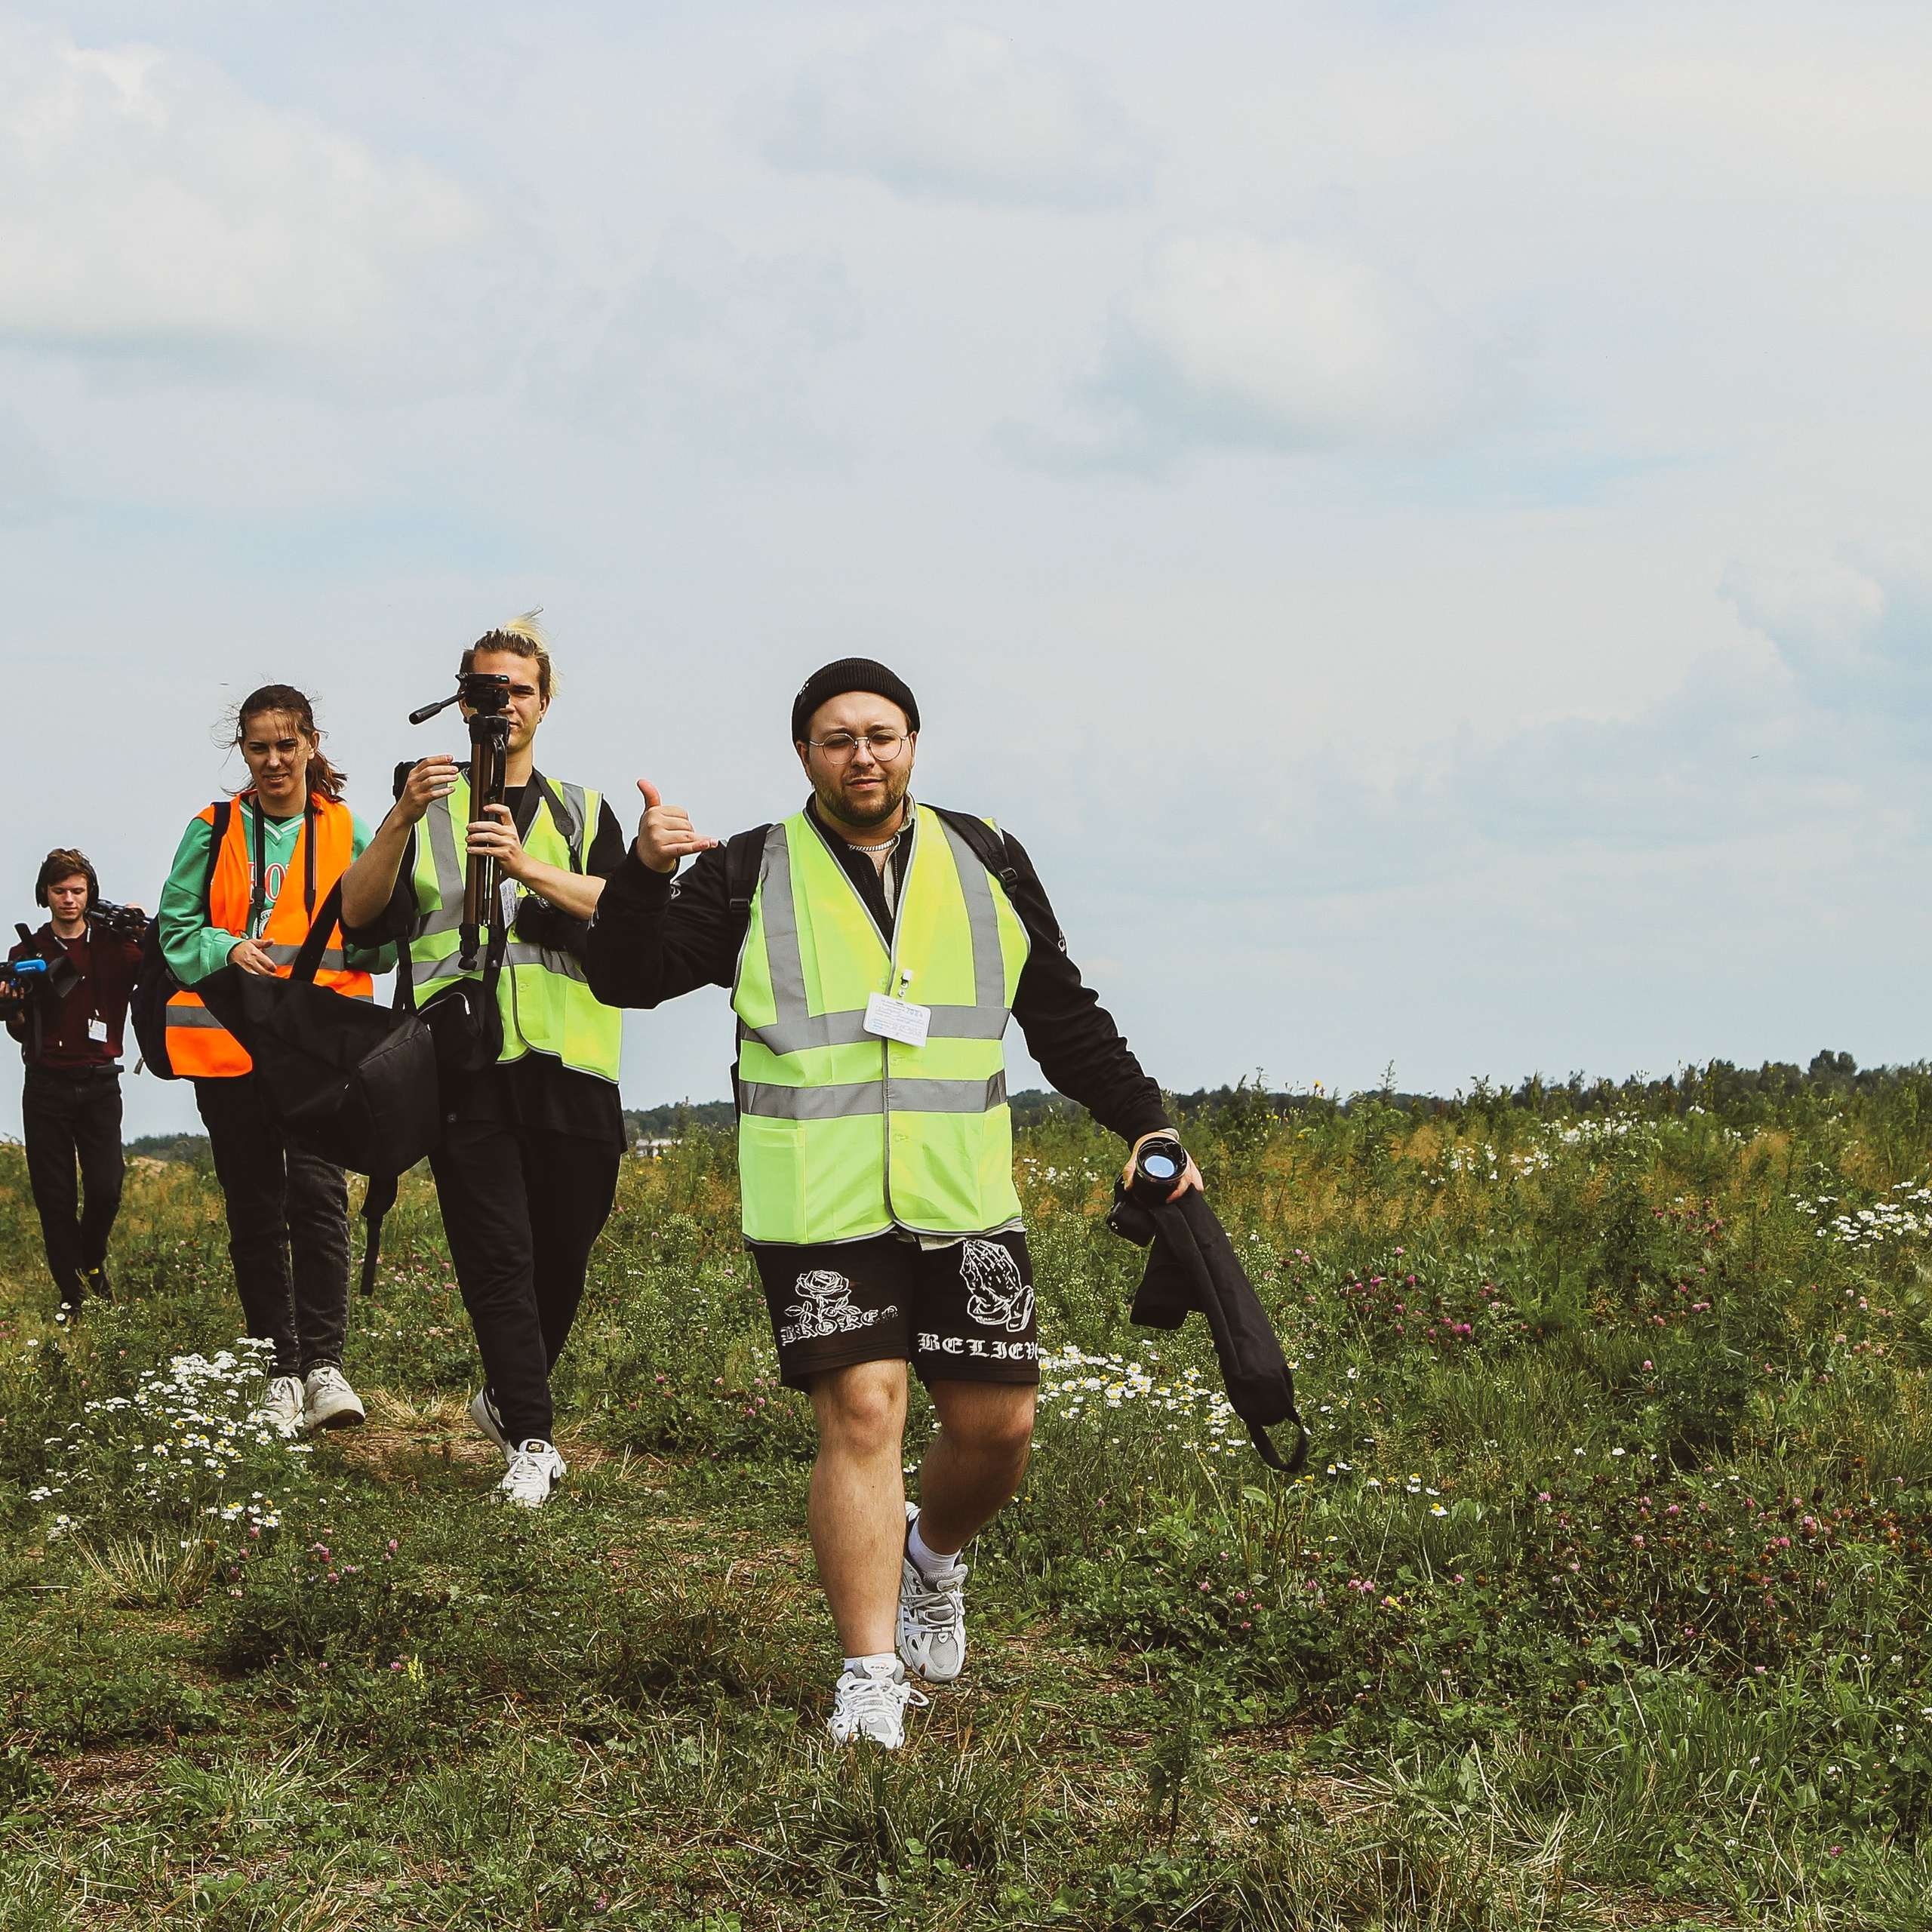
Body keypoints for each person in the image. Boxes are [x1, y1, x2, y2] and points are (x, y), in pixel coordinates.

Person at [583, 657, 1203, 1748]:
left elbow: (1062, 1014)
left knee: (997, 1429)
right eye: (836, 738)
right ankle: (867, 1677)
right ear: (804, 755)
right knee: (865, 1413)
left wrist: (1146, 1122)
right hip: (815, 1202)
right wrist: (639, 873)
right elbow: (626, 978)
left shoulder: (988, 857)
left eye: (880, 734)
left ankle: (933, 1554)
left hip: (963, 1194)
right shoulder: (743, 870)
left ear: (912, 743)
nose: (861, 754)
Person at [340, 615, 630, 1509]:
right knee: (496, 1256)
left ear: (543, 702)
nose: (498, 702)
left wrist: (528, 866)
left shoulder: (583, 810)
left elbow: (628, 919)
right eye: (482, 687)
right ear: (460, 697)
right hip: (462, 1061)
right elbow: (356, 920)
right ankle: (534, 1441)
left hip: (573, 1061)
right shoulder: (423, 806)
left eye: (515, 688)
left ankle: (508, 1396)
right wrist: (398, 818)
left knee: (563, 1256)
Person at [158, 686, 382, 1437]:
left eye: (288, 744)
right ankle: (279, 1371)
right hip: (229, 1049)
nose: (275, 759)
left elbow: (379, 933)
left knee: (318, 1200)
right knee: (255, 1209)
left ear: (312, 744)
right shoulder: (212, 827)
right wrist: (225, 947)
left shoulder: (348, 829)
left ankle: (324, 1366)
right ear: (243, 753)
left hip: (317, 1050)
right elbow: (175, 927)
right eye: (260, 747)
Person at [2, 851, 145, 1324]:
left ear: (90, 894)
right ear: (45, 893)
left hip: (101, 1084)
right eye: (60, 890)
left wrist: (146, 929)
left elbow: (162, 967)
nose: (68, 899)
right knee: (54, 1196)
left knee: (106, 1188)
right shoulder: (26, 954)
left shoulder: (117, 946)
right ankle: (75, 1296)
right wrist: (13, 1008)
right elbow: (20, 1029)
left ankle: (91, 1262)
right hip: (46, 1086)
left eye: (77, 891)